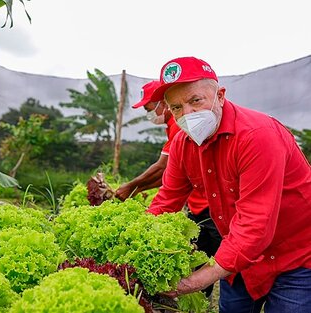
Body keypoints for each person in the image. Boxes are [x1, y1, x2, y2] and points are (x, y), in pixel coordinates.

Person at [147, 56, 311, 312]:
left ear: (220, 96)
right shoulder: (182, 144)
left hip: (295, 257)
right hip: (239, 259)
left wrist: (195, 280)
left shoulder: (257, 136)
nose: (187, 114)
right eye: (177, 107)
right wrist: (135, 239)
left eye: (195, 101)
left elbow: (256, 223)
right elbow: (167, 200)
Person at [115, 80, 222, 298]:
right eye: (177, 107)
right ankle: (201, 296)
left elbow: (162, 167)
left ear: (161, 104)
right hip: (198, 205)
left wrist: (131, 186)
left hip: (213, 207)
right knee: (203, 256)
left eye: (148, 109)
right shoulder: (176, 127)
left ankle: (201, 295)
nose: (149, 115)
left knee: (215, 262)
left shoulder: (181, 124)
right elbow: (172, 181)